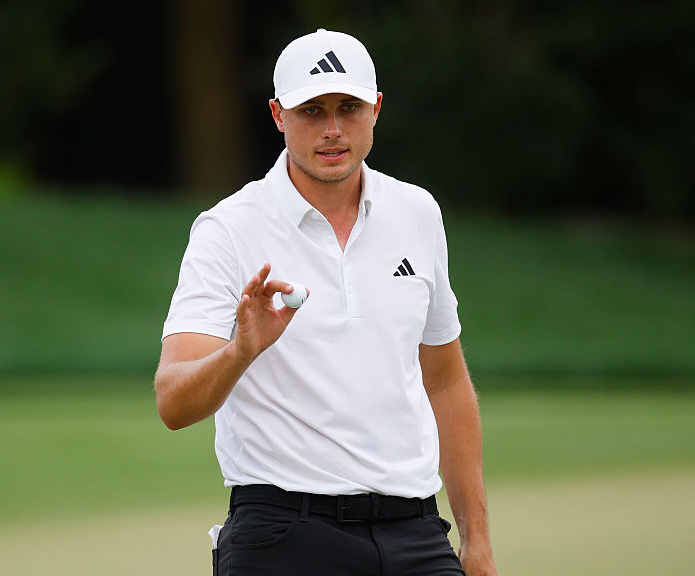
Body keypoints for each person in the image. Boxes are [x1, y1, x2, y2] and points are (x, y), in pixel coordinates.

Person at [155, 29, 498, 576]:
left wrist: (476, 540)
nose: (333, 130)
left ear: (376, 109)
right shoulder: (228, 229)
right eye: (311, 110)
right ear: (277, 115)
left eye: (349, 107)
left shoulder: (417, 212)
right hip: (283, 533)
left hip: (416, 532)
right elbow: (173, 402)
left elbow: (445, 380)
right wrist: (240, 352)